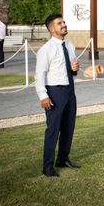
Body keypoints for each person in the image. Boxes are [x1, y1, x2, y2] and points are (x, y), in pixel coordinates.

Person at [35, 14, 80, 177]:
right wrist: (43, 96)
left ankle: (63, 158)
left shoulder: (69, 45)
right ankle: (47, 166)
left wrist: (75, 68)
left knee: (69, 127)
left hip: (69, 91)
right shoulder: (46, 50)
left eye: (64, 22)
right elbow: (40, 75)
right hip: (54, 92)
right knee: (53, 130)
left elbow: (72, 71)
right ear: (51, 29)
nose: (64, 25)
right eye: (59, 23)